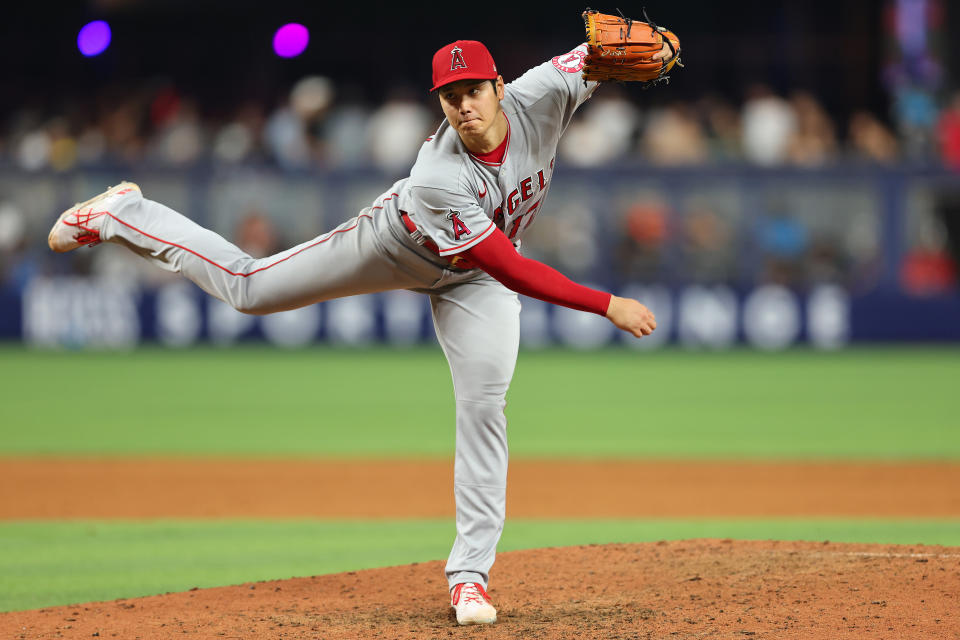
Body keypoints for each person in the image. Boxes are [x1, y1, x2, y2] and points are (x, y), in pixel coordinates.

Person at [48, 37, 669, 625]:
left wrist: (662, 46)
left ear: (499, 87)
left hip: (472, 280)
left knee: (484, 406)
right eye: (450, 96)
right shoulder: (438, 175)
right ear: (440, 102)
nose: (464, 105)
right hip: (397, 243)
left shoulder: (544, 92)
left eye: (474, 90)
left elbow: (593, 56)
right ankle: (123, 212)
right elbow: (512, 269)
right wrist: (605, 302)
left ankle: (470, 576)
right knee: (251, 289)